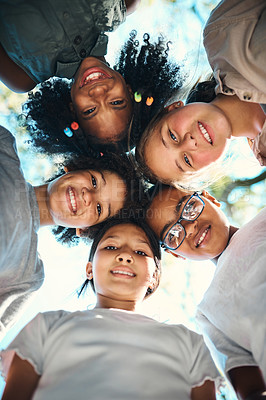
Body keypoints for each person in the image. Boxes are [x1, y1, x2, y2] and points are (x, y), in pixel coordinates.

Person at [0, 217, 221, 400]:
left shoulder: (192, 344)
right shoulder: (46, 325)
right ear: (89, 269)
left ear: (155, 277)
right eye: (111, 247)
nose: (125, 255)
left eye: (141, 252)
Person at [0, 125, 142, 340]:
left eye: (99, 208)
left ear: (85, 229)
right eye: (94, 181)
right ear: (74, 167)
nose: (88, 196)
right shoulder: (4, 146)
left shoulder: (28, 275)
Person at [0, 0, 184, 153]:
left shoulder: (22, 75)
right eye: (116, 102)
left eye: (90, 111)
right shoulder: (124, 4)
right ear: (129, 89)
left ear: (72, 110)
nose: (99, 92)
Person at [146, 184, 266, 399]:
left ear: (209, 197)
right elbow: (252, 390)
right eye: (173, 235)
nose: (190, 227)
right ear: (176, 254)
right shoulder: (208, 313)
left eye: (189, 208)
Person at [135, 0, 266, 189]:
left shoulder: (223, 34)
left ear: (173, 108)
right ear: (205, 169)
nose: (189, 142)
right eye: (187, 160)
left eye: (172, 136)